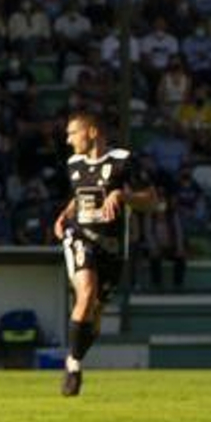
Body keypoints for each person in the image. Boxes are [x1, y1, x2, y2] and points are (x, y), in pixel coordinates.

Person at [53, 111, 155, 396]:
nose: (68, 139)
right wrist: (65, 214)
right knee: (85, 292)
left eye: (73, 133)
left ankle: (74, 358)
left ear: (93, 132)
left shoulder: (123, 160)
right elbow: (80, 197)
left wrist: (123, 196)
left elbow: (153, 199)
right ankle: (73, 370)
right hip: (80, 236)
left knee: (94, 313)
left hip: (112, 248)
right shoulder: (74, 164)